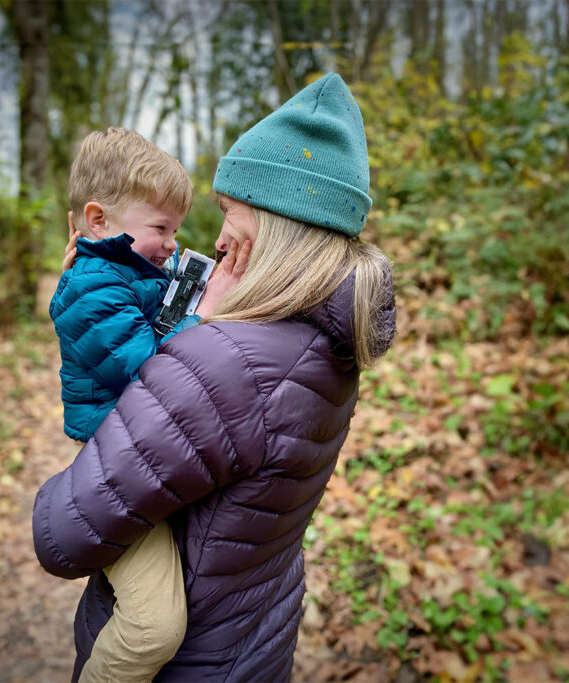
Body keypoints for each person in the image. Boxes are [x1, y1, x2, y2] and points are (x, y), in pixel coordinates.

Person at [34, 72, 396, 681]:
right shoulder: (327, 336)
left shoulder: (226, 358)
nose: (216, 237)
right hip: (251, 639)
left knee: (145, 619)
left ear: (277, 219)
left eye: (230, 211)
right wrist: (106, 265)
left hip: (189, 660)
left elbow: (65, 533)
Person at [47, 126, 201, 683]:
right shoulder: (93, 290)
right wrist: (201, 322)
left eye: (175, 229)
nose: (172, 243)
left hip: (137, 454)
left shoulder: (131, 275)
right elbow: (150, 372)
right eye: (161, 228)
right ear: (97, 221)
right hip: (115, 469)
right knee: (154, 624)